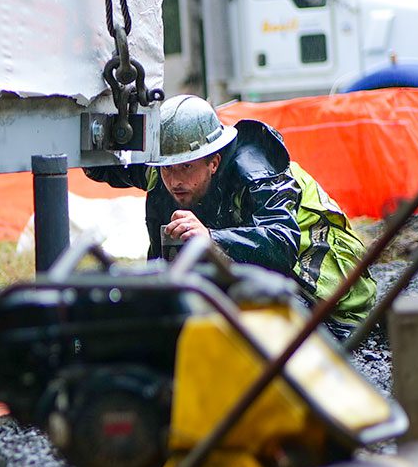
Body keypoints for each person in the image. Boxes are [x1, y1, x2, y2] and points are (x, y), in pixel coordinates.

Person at [86, 94, 376, 334]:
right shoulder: (164, 168)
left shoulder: (256, 173)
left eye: (185, 167)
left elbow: (281, 244)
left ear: (213, 162)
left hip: (330, 300)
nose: (174, 180)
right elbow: (99, 163)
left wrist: (212, 238)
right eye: (167, 168)